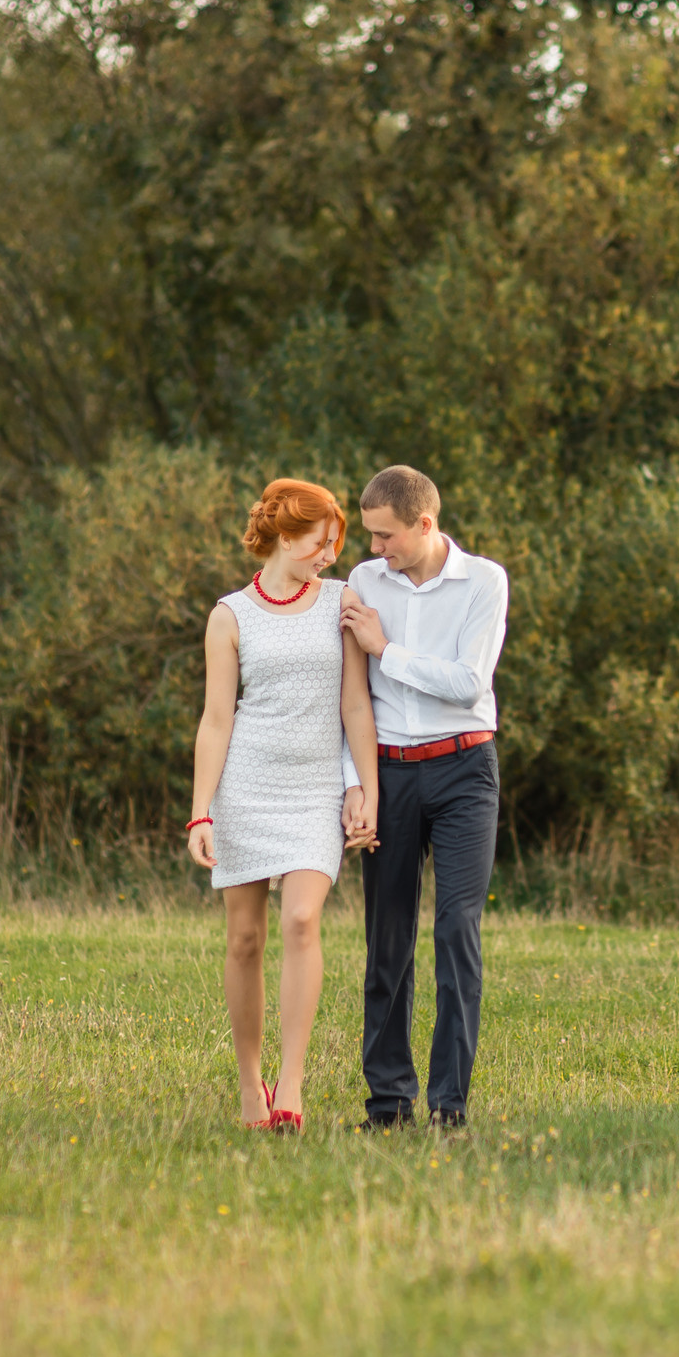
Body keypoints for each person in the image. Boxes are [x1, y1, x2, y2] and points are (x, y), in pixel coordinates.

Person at [187, 479, 382, 1132]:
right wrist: (201, 811)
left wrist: (365, 786)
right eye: (319, 542)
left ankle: (292, 1084)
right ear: (280, 533)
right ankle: (251, 1084)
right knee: (245, 939)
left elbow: (356, 703)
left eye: (336, 543)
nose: (331, 554)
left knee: (302, 919)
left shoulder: (340, 602)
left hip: (314, 790)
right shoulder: (230, 614)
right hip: (246, 787)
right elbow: (216, 719)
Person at [339, 465, 509, 1131]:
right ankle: (387, 1105)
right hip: (390, 772)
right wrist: (358, 783)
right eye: (371, 535)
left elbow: (470, 683)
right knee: (387, 942)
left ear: (424, 525)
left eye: (386, 536)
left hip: (465, 768)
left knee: (455, 930)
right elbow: (351, 694)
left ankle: (450, 1105)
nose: (376, 548)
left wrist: (388, 648)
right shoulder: (362, 580)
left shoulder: (484, 581)